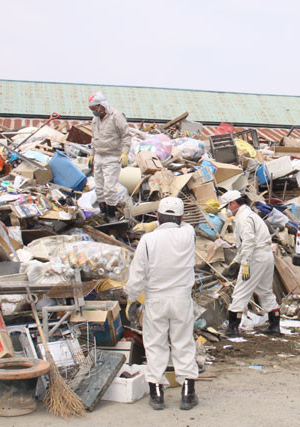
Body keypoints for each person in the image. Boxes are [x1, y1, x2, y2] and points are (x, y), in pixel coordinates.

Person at [125, 197, 199, 411]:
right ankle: (188, 392)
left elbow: (137, 274)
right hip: (181, 299)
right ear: (181, 218)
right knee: (183, 343)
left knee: (155, 345)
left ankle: (156, 393)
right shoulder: (188, 234)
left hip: (155, 300)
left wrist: (131, 297)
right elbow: (182, 223)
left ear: (156, 217)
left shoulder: (148, 240)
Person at [219, 190, 281, 337]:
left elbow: (248, 243)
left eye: (227, 206)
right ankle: (274, 326)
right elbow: (247, 244)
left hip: (255, 257)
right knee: (265, 291)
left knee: (240, 291)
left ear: (233, 203)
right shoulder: (250, 215)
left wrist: (244, 263)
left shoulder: (244, 218)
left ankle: (233, 328)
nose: (227, 210)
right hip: (265, 255)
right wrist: (236, 261)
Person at [87, 92, 131, 221]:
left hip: (112, 156)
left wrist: (125, 153)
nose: (94, 112)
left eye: (95, 109)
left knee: (109, 188)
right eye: (91, 110)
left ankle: (111, 215)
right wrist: (91, 154)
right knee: (99, 188)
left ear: (102, 106)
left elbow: (126, 136)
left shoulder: (116, 116)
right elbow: (94, 138)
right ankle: (103, 213)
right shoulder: (95, 120)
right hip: (99, 156)